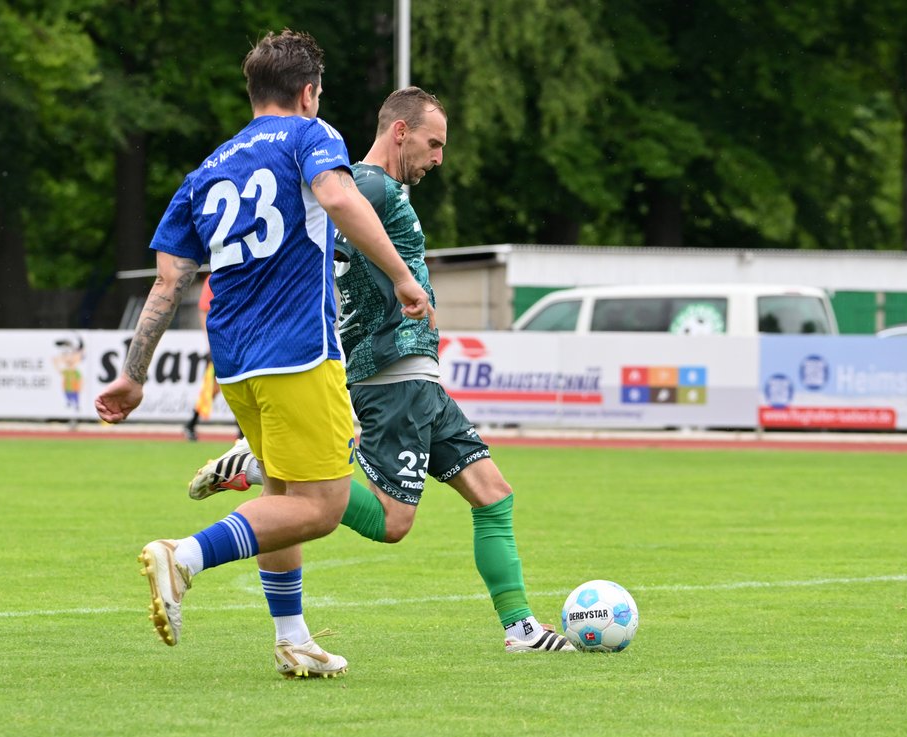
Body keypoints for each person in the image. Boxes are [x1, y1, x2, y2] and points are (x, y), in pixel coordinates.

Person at [94, 30, 432, 679]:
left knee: (282, 492)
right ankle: (183, 557)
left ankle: (292, 638)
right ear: (308, 92)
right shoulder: (311, 135)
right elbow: (338, 197)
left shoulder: (206, 171)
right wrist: (401, 276)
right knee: (322, 507)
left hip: (236, 360)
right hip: (298, 350)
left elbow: (168, 282)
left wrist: (133, 377)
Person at [188, 86, 574, 654]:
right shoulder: (366, 184)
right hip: (391, 371)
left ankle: (521, 631)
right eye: (433, 143)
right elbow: (324, 227)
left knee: (494, 494)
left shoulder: (372, 188)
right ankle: (258, 465)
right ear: (400, 131)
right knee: (393, 523)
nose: (439, 157)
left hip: (417, 374)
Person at [183, 276, 244, 442]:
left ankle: (191, 424)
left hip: (237, 343)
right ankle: (192, 424)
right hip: (223, 345)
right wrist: (211, 340)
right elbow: (204, 309)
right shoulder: (214, 278)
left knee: (225, 388)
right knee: (221, 388)